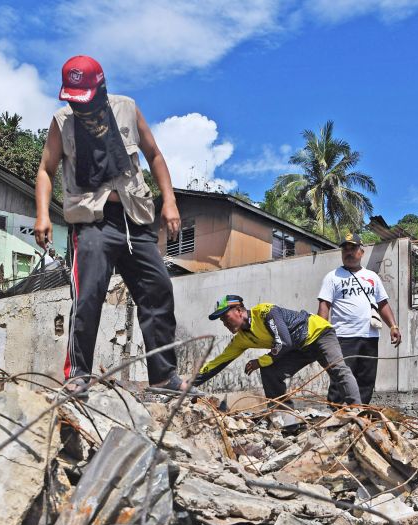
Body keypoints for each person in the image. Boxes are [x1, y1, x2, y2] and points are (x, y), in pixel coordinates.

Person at [33, 55, 187, 390]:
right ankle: (78, 375)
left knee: (158, 291)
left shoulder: (127, 109)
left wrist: (170, 202)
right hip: (92, 222)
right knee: (87, 296)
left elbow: (154, 155)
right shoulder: (63, 122)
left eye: (85, 98)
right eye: (73, 100)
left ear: (101, 88)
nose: (80, 107)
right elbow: (45, 170)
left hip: (135, 219)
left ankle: (163, 377)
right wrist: (43, 214)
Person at [194, 295, 361, 406]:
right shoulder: (241, 339)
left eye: (226, 317)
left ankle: (357, 410)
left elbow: (284, 342)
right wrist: (189, 384)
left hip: (318, 333)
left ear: (239, 310)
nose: (225, 323)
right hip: (298, 348)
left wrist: (259, 361)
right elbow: (219, 362)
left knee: (337, 368)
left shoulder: (265, 312)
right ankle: (286, 420)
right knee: (271, 372)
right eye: (222, 320)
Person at [317, 233, 401, 404]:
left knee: (366, 379)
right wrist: (321, 334)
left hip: (370, 337)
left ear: (361, 252)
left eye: (353, 248)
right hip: (343, 337)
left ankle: (361, 415)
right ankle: (336, 414)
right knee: (341, 377)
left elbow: (382, 303)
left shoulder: (372, 277)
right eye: (345, 249)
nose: (348, 252)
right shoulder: (332, 277)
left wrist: (393, 326)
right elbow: (324, 306)